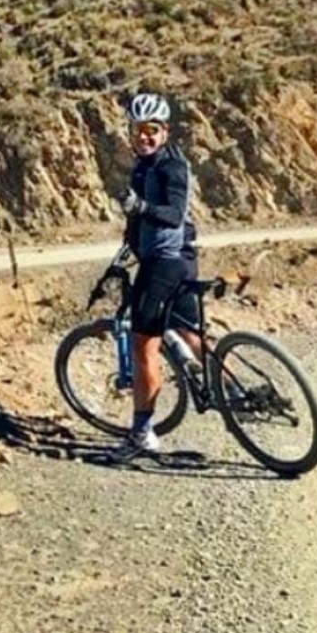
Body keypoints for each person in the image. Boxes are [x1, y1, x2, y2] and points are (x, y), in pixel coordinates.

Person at [111, 91, 201, 462]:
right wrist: (127, 247)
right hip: (173, 259)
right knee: (191, 334)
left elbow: (174, 214)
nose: (143, 136)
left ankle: (142, 433)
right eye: (137, 130)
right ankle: (237, 396)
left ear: (165, 131)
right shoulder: (143, 166)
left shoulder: (171, 167)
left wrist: (141, 206)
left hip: (165, 262)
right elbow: (137, 220)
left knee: (143, 345)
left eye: (151, 129)